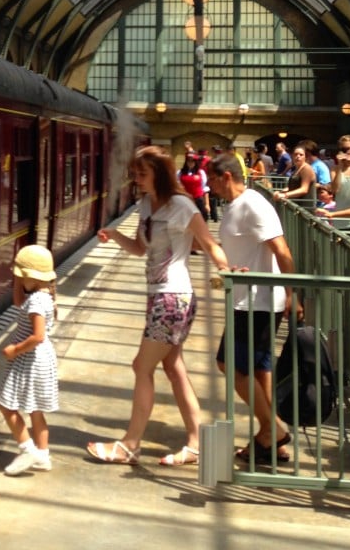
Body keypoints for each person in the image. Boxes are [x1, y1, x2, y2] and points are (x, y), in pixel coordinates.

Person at [86, 145, 229, 466]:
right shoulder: (146, 204)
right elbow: (140, 248)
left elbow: (209, 244)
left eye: (142, 173)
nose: (136, 178)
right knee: (173, 367)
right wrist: (115, 235)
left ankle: (130, 444)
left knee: (142, 366)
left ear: (159, 174)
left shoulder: (181, 205)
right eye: (135, 173)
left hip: (173, 297)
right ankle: (197, 443)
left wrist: (228, 271)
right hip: (159, 297)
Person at [207, 153, 300, 463]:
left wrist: (292, 293)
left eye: (213, 178)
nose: (210, 185)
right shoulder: (236, 206)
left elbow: (282, 250)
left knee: (229, 364)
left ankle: (273, 430)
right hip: (248, 299)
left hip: (257, 303)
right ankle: (273, 441)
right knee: (260, 371)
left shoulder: (253, 205)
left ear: (226, 176)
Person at [0, 245, 58, 475]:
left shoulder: (36, 303)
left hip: (29, 360)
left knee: (5, 404)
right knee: (36, 410)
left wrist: (15, 349)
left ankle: (27, 449)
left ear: (31, 277)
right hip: (41, 360)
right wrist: (17, 278)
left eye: (22, 275)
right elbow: (17, 301)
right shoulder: (44, 295)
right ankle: (43, 455)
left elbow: (38, 336)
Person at [316, 135, 350, 220]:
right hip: (339, 217)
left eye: (348, 149)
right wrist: (340, 166)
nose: (345, 152)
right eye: (342, 150)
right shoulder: (334, 169)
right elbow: (335, 190)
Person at [178, 152, 208, 220]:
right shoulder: (180, 172)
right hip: (185, 200)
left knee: (202, 218)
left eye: (193, 161)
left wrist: (207, 204)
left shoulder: (201, 172)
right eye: (189, 161)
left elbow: (205, 189)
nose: (191, 163)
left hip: (198, 199)